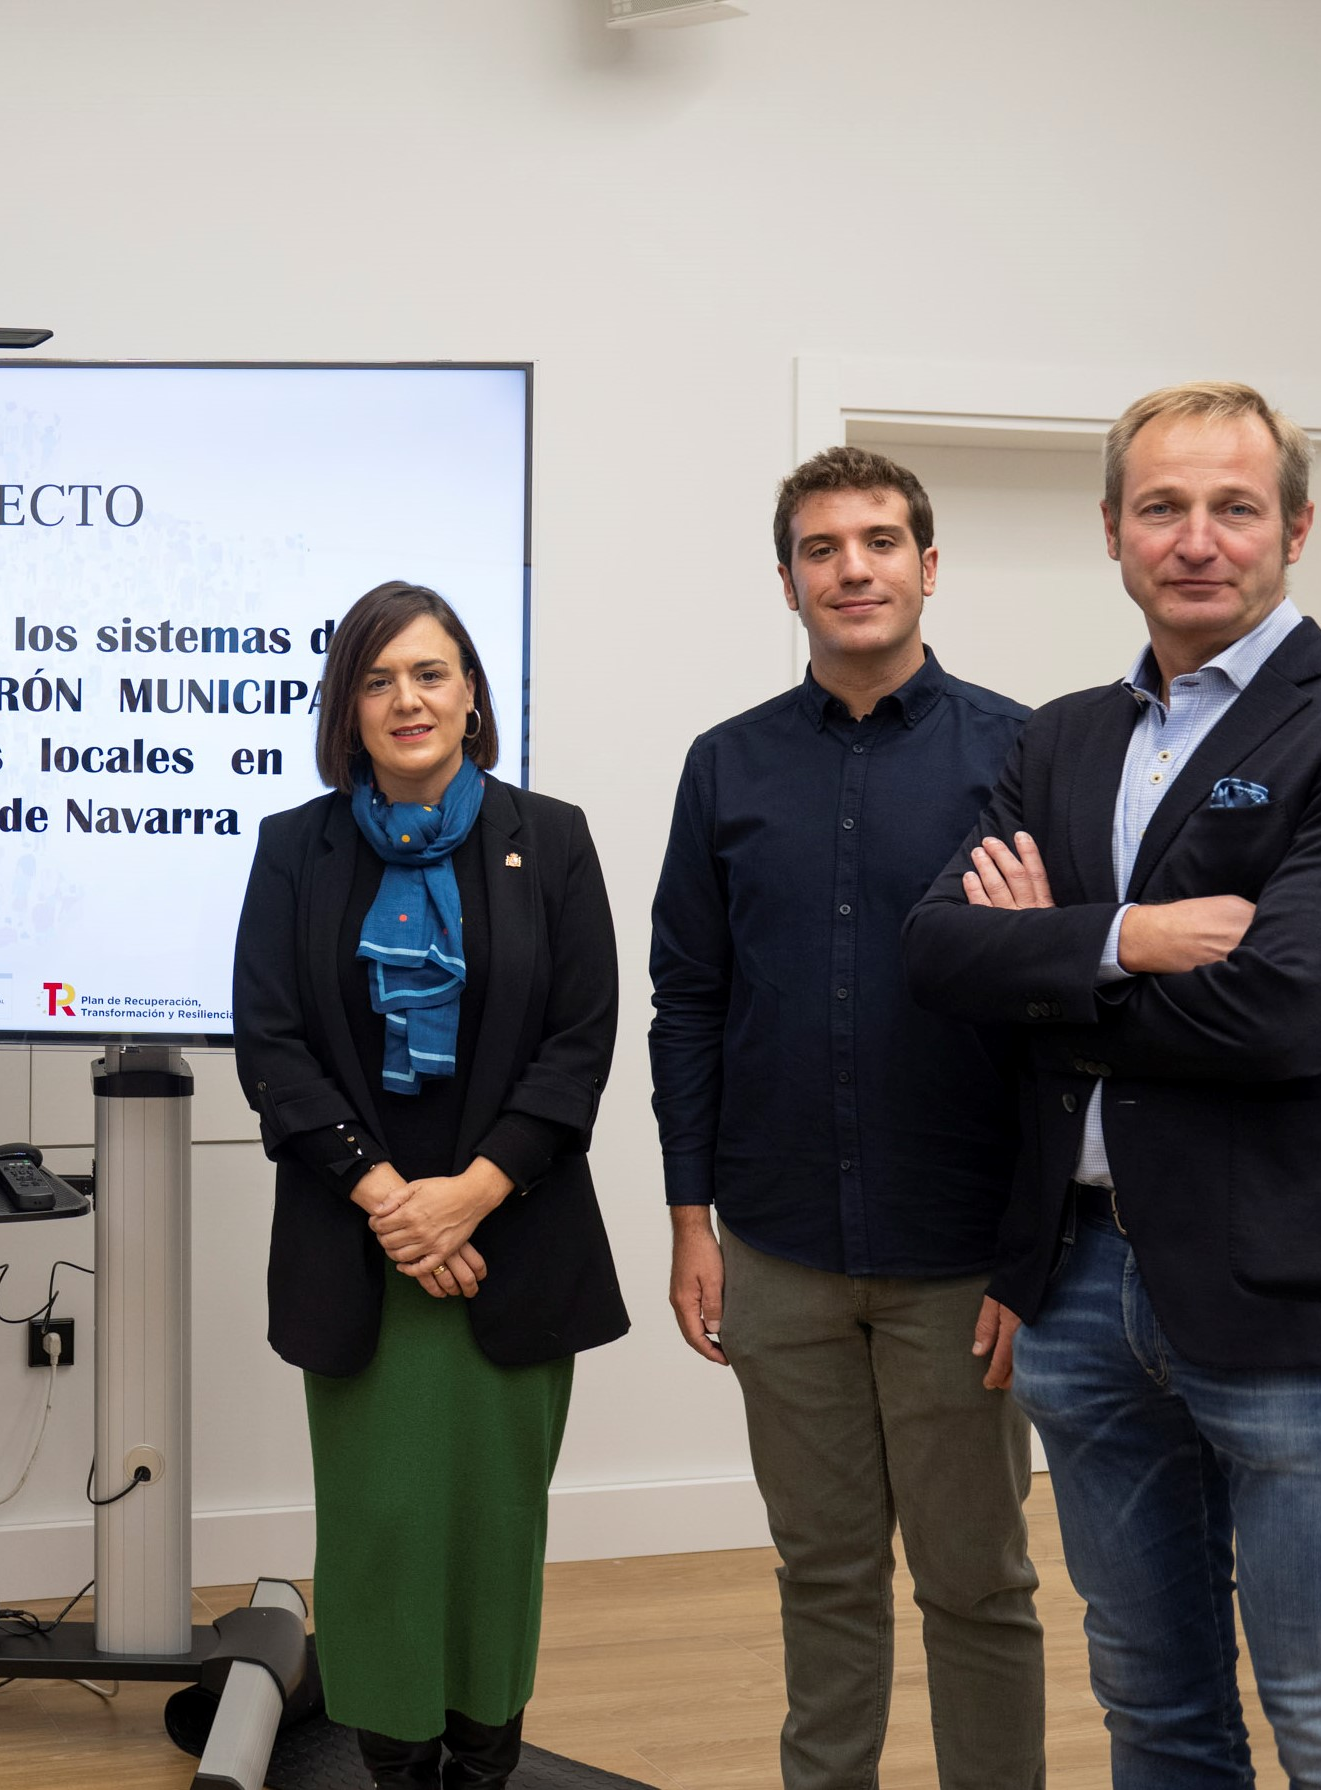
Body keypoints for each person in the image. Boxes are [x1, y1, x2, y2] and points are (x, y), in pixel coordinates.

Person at [905, 381, 1321, 1786]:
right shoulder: (1062, 737)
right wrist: (1130, 939)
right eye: (1161, 506)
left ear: (1295, 525)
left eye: (1232, 505)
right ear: (1111, 530)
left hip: (1299, 1296)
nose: (1195, 537)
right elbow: (939, 948)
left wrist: (1050, 972)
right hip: (1082, 1289)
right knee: (1153, 1714)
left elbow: (1286, 1011)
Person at [647, 448, 1042, 1788]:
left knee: (977, 1584)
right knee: (819, 1574)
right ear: (786, 580)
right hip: (776, 1246)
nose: (852, 567)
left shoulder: (1020, 755)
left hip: (961, 1263)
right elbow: (686, 1004)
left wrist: (1029, 1255)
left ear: (927, 566)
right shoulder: (727, 766)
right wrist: (689, 1221)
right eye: (822, 548)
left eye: (879, 541)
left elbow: (1064, 1029)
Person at [232, 580, 627, 1787]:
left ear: (471, 696)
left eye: (430, 672)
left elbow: (581, 1040)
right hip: (360, 1252)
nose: (407, 697)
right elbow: (274, 1044)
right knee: (381, 1526)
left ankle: (484, 1749)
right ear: (347, 708)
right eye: (377, 676)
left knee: (496, 1525)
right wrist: (394, 1201)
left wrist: (470, 1193)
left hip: (514, 1243)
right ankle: (392, 1751)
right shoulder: (295, 846)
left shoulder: (548, 835)